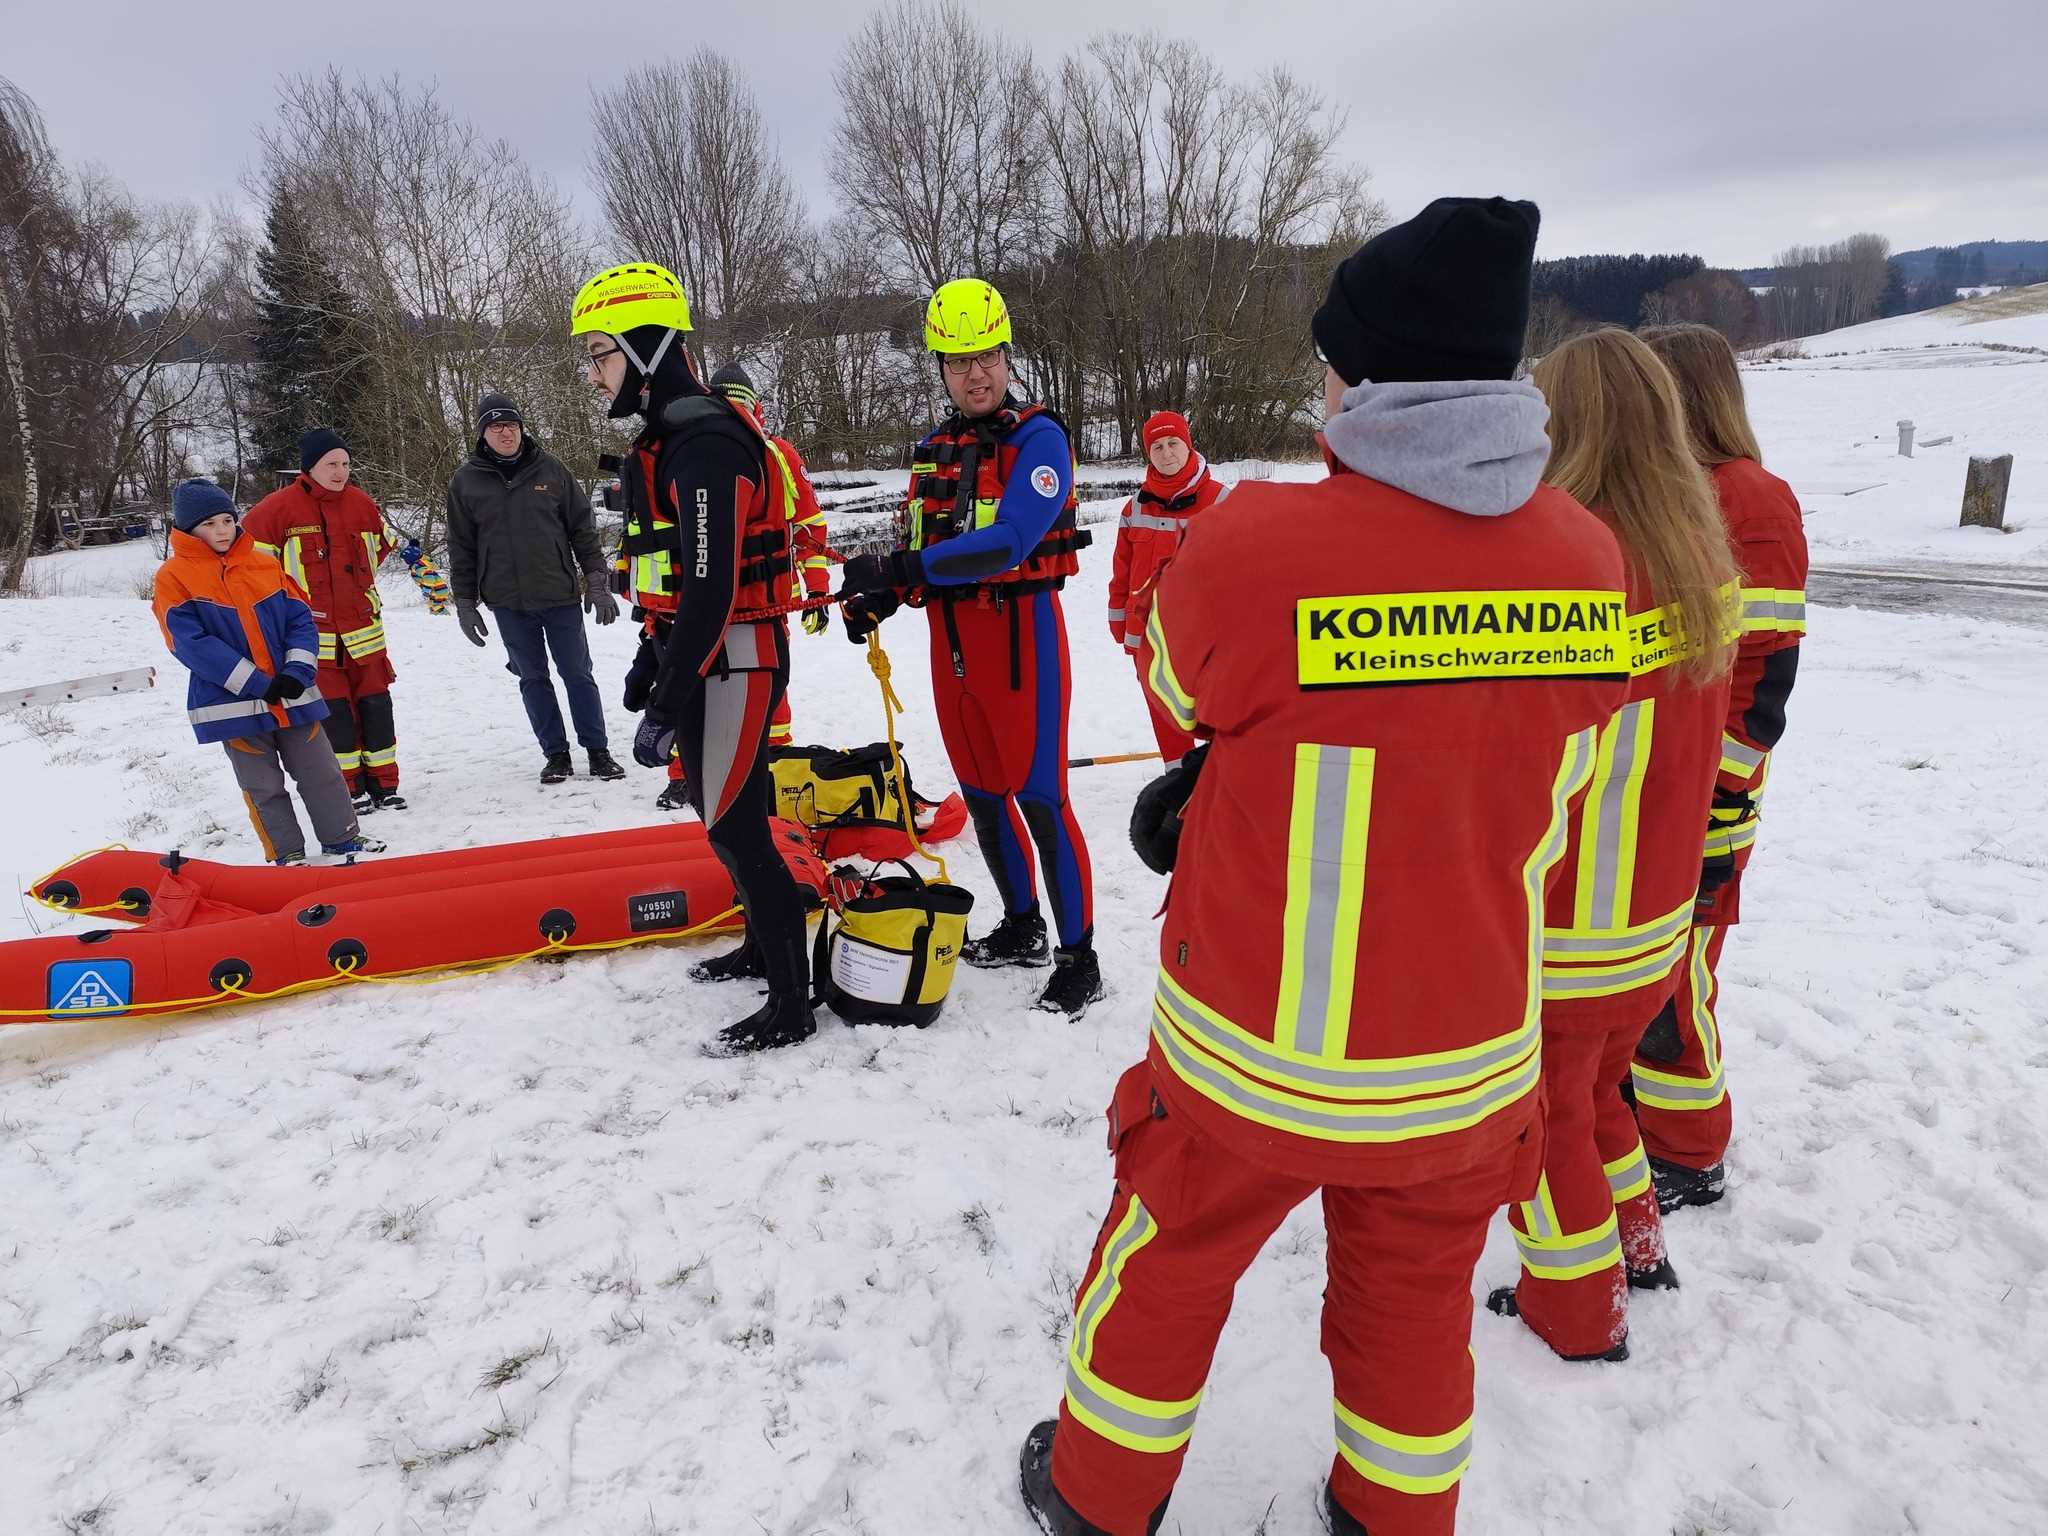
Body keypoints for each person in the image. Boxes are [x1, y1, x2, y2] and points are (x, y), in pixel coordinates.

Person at [1015, 198, 1631, 1536]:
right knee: (1413, 1310)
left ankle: (1099, 1494)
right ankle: (1391, 1517)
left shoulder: (1258, 545)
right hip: (1466, 1061)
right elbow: (1552, 785)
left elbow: (1182, 686)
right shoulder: (1590, 567)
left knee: (1169, 1258)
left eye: (1332, 360)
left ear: (1372, 377)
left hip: (1253, 1049)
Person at [1484, 328, 1739, 1364]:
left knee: (1544, 1120)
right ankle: (1639, 1246)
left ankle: (1576, 1307)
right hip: (1654, 912)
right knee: (1596, 1095)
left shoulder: (1569, 570)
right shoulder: (1699, 559)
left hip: (1569, 918)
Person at [836, 278, 1101, 1018]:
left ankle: (1081, 956)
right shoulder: (936, 448)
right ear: (941, 370)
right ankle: (1023, 927)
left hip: (1024, 649)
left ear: (1007, 355)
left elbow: (1012, 539)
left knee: (1043, 802)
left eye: (985, 355)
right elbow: (918, 544)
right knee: (984, 801)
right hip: (952, 654)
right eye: (956, 361)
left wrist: (903, 571)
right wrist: (878, 595)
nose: (974, 373)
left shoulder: (1040, 439)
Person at [574, 261, 816, 1054]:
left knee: (740, 828)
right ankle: (760, 947)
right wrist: (653, 657)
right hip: (707, 655)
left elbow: (712, 592)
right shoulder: (672, 436)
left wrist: (666, 702)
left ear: (646, 348)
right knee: (724, 824)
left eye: (601, 353)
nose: (592, 373)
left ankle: (792, 1003)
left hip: (738, 658)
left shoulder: (706, 443)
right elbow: (675, 581)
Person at [1633, 324, 1810, 1210]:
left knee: (1677, 975)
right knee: (1641, 971)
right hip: (1657, 788)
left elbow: (1762, 680)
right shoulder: (1673, 491)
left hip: (1705, 798)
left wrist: (1719, 801)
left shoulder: (1751, 498)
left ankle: (1686, 1151)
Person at [153, 478, 382, 865]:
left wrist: (296, 670)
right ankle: (287, 854)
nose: (222, 530)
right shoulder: (173, 578)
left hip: (294, 697)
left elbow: (301, 620)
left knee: (322, 772)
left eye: (227, 520)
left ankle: (343, 840)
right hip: (234, 706)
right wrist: (258, 683)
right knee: (264, 787)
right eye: (209, 524)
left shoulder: (264, 562)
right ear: (188, 530)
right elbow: (191, 644)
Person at [244, 429, 440, 813]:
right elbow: (250, 568)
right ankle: (349, 787)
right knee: (334, 714)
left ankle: (385, 784)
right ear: (310, 467)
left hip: (365, 634)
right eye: (331, 464)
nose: (340, 472)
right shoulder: (276, 511)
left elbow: (381, 549)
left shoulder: (362, 505)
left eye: (346, 464)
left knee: (376, 709)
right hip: (313, 638)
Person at [444, 391, 627, 785]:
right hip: (507, 602)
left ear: (522, 428)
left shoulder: (551, 470)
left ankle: (598, 751)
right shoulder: (466, 481)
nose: (505, 433)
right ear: (482, 433)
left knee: (578, 674)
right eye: (496, 426)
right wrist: (464, 602)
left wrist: (596, 580)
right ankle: (556, 754)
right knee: (532, 678)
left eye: (511, 425)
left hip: (558, 593)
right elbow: (461, 547)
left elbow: (583, 527)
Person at [709, 362, 833, 760]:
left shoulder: (779, 454)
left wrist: (817, 590)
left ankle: (775, 758)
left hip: (767, 597)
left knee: (769, 680)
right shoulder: (689, 454)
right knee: (701, 682)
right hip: (712, 597)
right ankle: (688, 770)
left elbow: (810, 525)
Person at [1106, 411, 1223, 763]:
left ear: (1188, 446)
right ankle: (1178, 780)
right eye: (1157, 446)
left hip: (1203, 634)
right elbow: (1122, 571)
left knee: (1213, 706)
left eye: (1173, 443)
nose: (1166, 453)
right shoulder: (1135, 506)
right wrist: (1118, 618)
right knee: (1162, 709)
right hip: (1148, 634)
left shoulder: (1221, 501)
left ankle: (1219, 773)